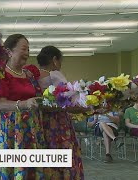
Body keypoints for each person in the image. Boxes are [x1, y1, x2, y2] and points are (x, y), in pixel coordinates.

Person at [0, 34, 45, 179]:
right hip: (12, 127)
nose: (27, 53)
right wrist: (24, 104)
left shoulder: (29, 74)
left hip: (31, 126)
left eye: (28, 49)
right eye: (23, 49)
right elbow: (1, 104)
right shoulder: (1, 74)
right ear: (9, 51)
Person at [36, 45, 84, 179]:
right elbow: (68, 99)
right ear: (54, 60)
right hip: (58, 120)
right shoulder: (55, 74)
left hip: (41, 121)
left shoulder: (34, 75)